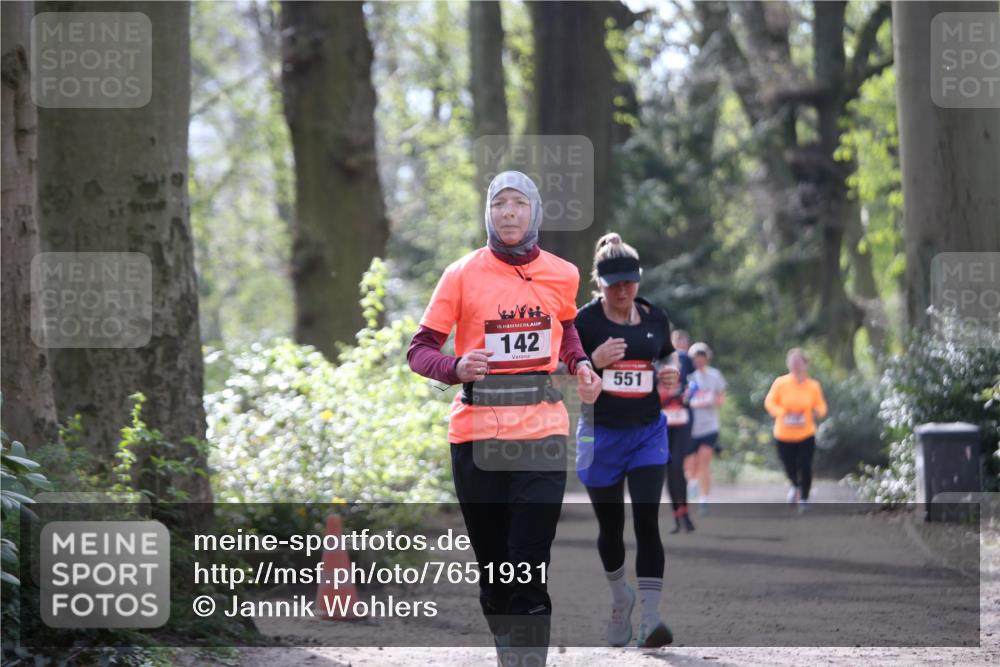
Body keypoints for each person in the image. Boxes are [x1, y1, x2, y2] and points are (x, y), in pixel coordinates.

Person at [407, 171, 601, 666]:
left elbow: (566, 328)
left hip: (542, 431)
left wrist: (580, 363)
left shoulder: (563, 273)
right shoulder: (460, 274)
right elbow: (419, 350)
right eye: (499, 204)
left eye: (518, 203)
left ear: (534, 212)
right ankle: (506, 648)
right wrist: (454, 367)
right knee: (496, 571)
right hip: (476, 435)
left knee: (529, 564)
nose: (509, 212)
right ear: (488, 213)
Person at [574, 232, 680, 648]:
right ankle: (621, 599)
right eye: (613, 284)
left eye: (629, 283)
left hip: (647, 432)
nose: (622, 291)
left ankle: (651, 618)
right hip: (599, 436)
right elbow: (560, 375)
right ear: (598, 283)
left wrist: (671, 371)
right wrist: (592, 362)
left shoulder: (654, 318)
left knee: (647, 520)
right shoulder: (584, 323)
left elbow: (667, 353)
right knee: (611, 528)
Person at [764, 348, 828, 512]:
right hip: (783, 434)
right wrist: (783, 413)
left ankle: (804, 498)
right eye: (792, 362)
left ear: (805, 364)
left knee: (805, 465)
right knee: (789, 465)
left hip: (806, 433)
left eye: (798, 362)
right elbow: (769, 402)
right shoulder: (780, 383)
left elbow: (821, 407)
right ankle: (795, 485)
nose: (796, 366)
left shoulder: (813, 386)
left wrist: (817, 412)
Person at [658, 349, 695, 533]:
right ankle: (677, 516)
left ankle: (685, 514)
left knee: (677, 468)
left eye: (676, 360)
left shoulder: (686, 379)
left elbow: (691, 397)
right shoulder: (655, 377)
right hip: (662, 428)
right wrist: (672, 395)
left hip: (681, 427)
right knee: (668, 471)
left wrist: (687, 396)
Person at [687, 342, 726, 512]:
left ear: (707, 358)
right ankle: (692, 481)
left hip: (709, 427)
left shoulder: (715, 375)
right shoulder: (688, 377)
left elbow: (721, 399)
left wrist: (710, 400)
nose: (699, 361)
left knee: (704, 463)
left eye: (702, 357)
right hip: (690, 428)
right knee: (690, 465)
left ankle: (704, 498)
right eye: (696, 358)